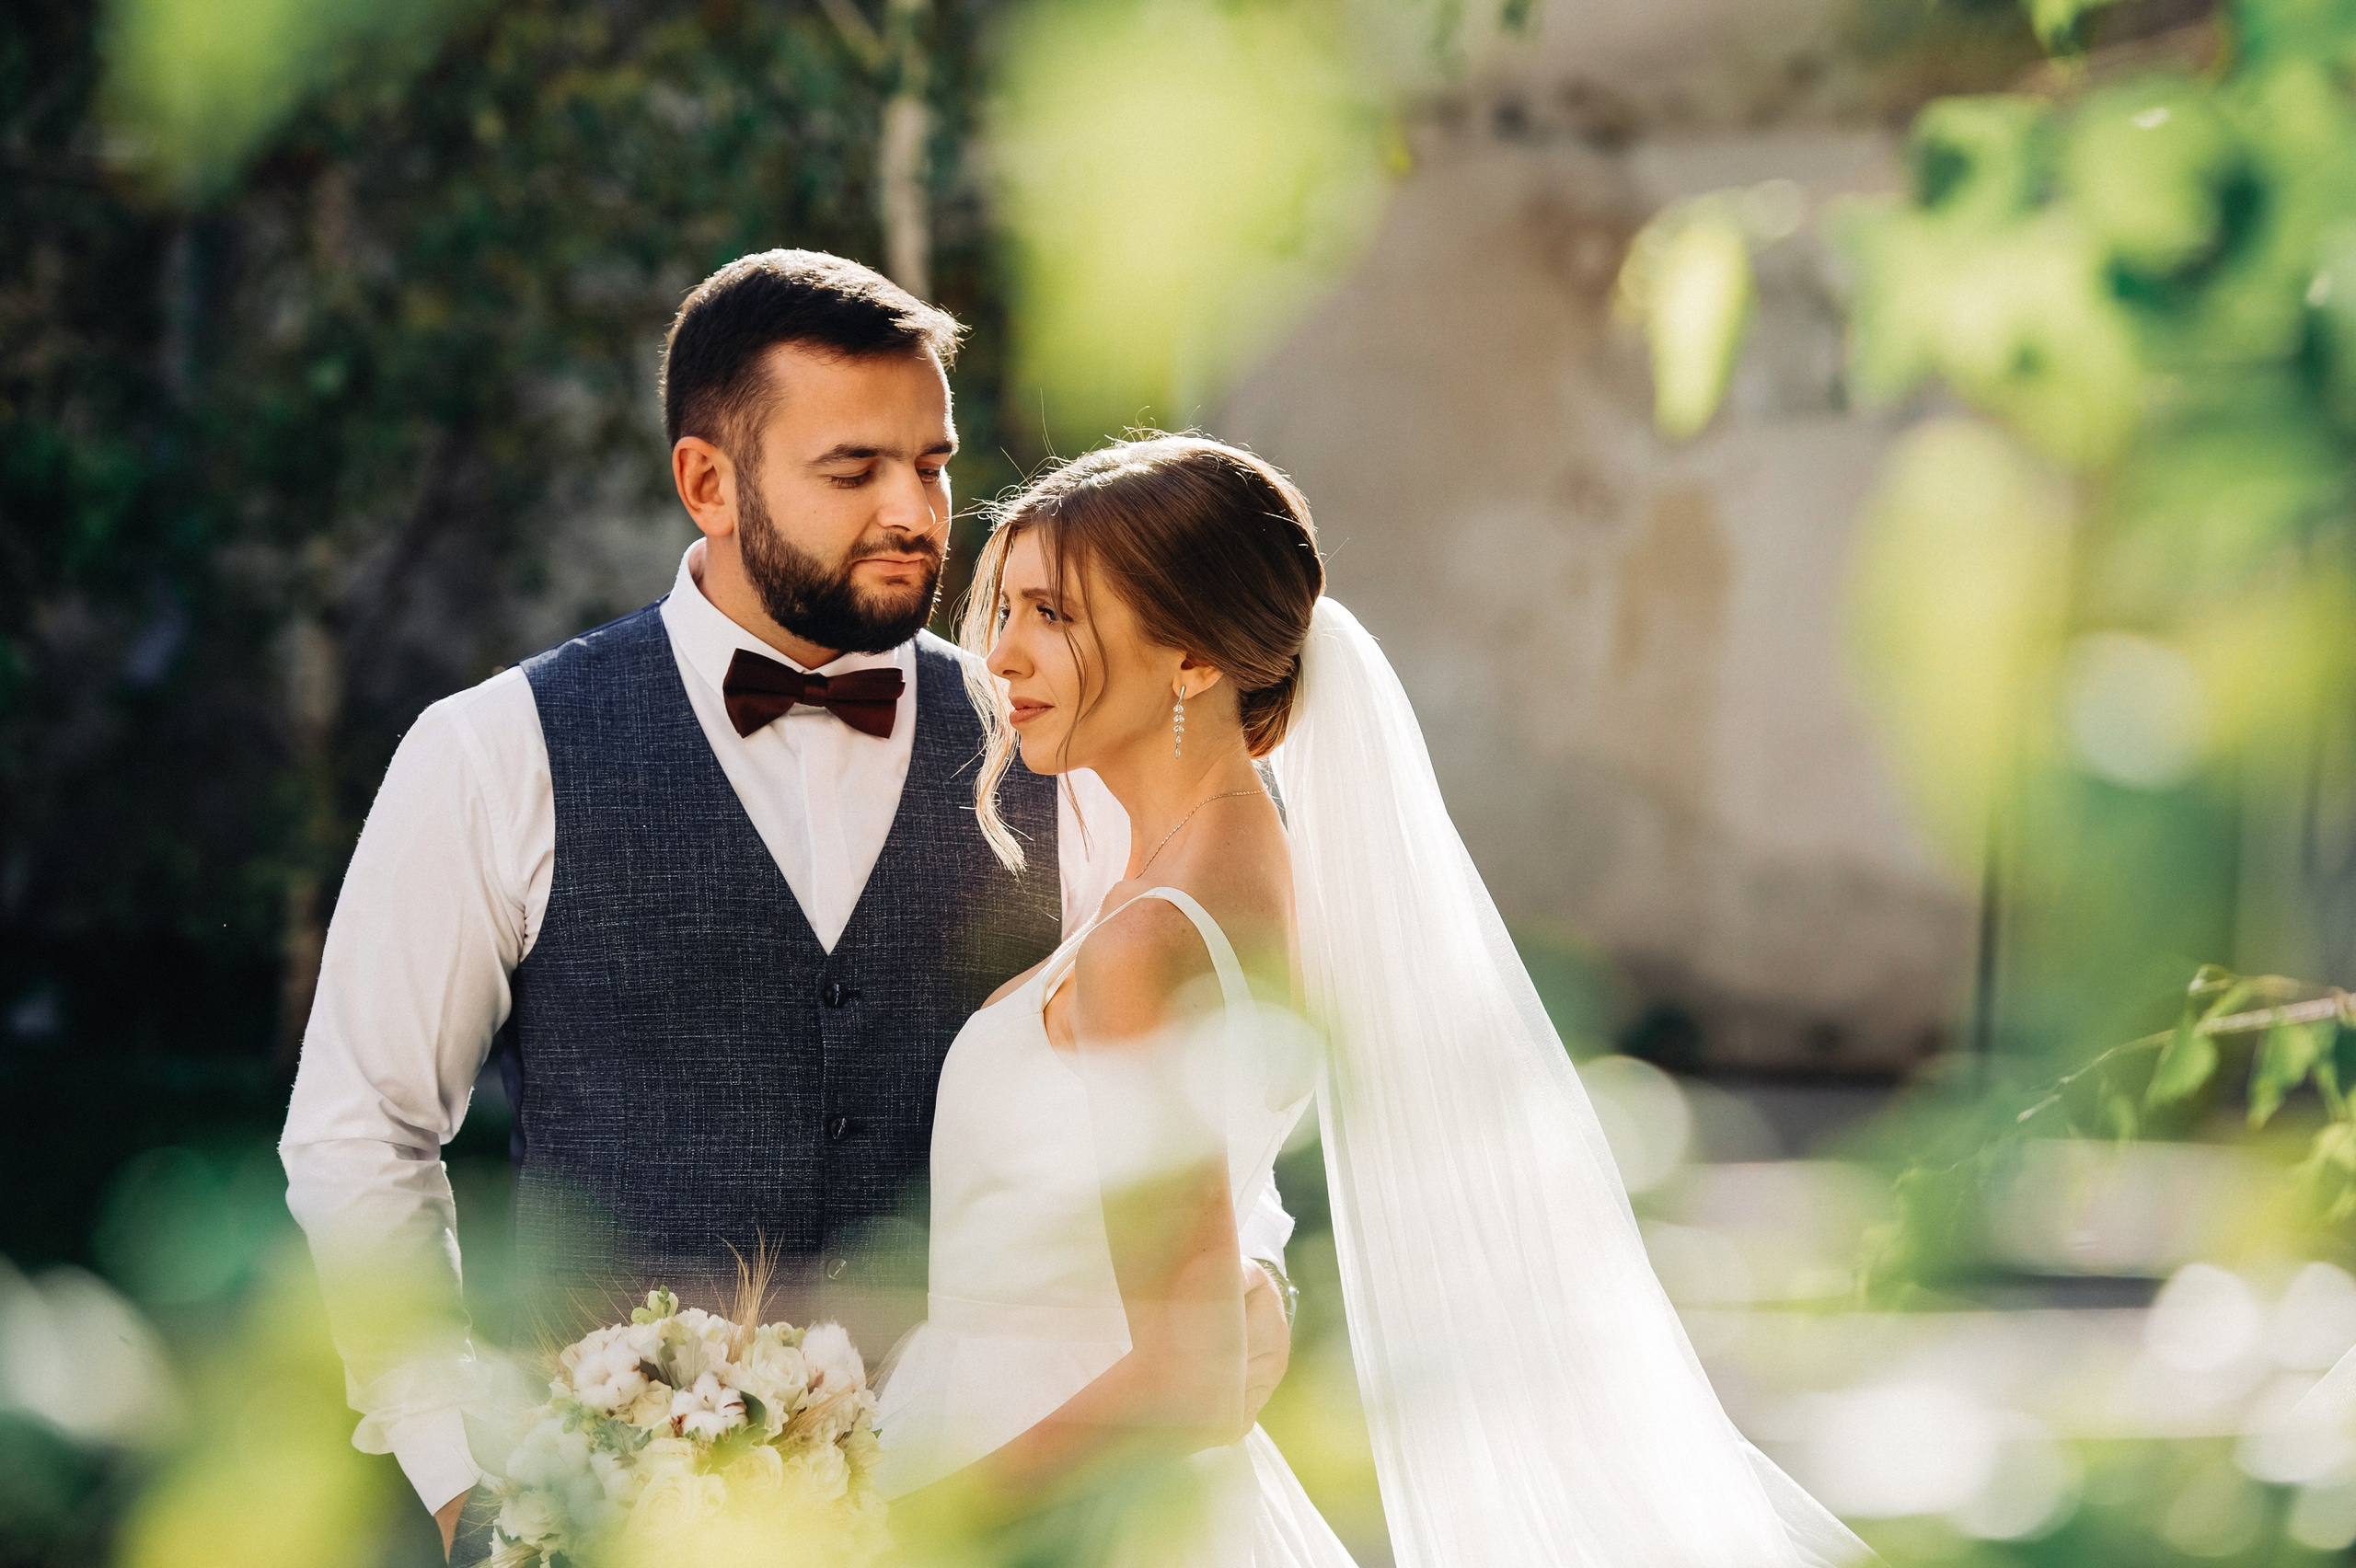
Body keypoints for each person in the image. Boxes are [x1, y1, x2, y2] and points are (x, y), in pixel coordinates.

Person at [278, 254, 1297, 1564]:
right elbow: (361, 1134)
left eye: (931, 465)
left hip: (976, 1510)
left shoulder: (1059, 742)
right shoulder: (495, 751)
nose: (914, 512)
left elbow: (1177, 1087)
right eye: (853, 471)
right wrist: (464, 1480)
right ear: (708, 483)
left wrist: (1246, 1275)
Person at [873, 434, 1876, 1566]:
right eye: (1004, 609)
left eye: (1053, 615)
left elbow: (1186, 1366)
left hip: (1049, 1501)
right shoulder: (1250, 872)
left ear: (1193, 656)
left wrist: (898, 1527)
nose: (1001, 654)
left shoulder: (1150, 938)